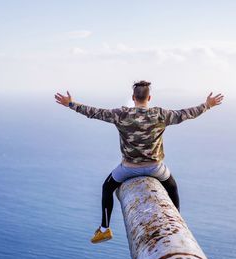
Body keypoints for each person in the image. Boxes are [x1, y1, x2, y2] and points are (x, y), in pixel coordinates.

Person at [54, 81, 224, 244]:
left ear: (133, 97)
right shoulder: (160, 114)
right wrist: (207, 105)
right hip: (155, 168)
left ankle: (104, 229)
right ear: (149, 98)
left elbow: (94, 112)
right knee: (172, 187)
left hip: (128, 168)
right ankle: (178, 225)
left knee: (107, 188)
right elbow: (186, 114)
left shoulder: (121, 114)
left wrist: (71, 104)